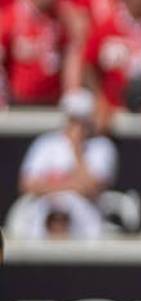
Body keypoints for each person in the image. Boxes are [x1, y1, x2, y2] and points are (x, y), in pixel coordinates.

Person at [15, 88, 116, 240]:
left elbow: (92, 188)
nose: (77, 126)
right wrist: (72, 185)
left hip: (84, 216)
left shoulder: (101, 147)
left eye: (82, 121)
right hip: (44, 209)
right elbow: (27, 185)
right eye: (73, 120)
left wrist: (77, 150)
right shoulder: (46, 143)